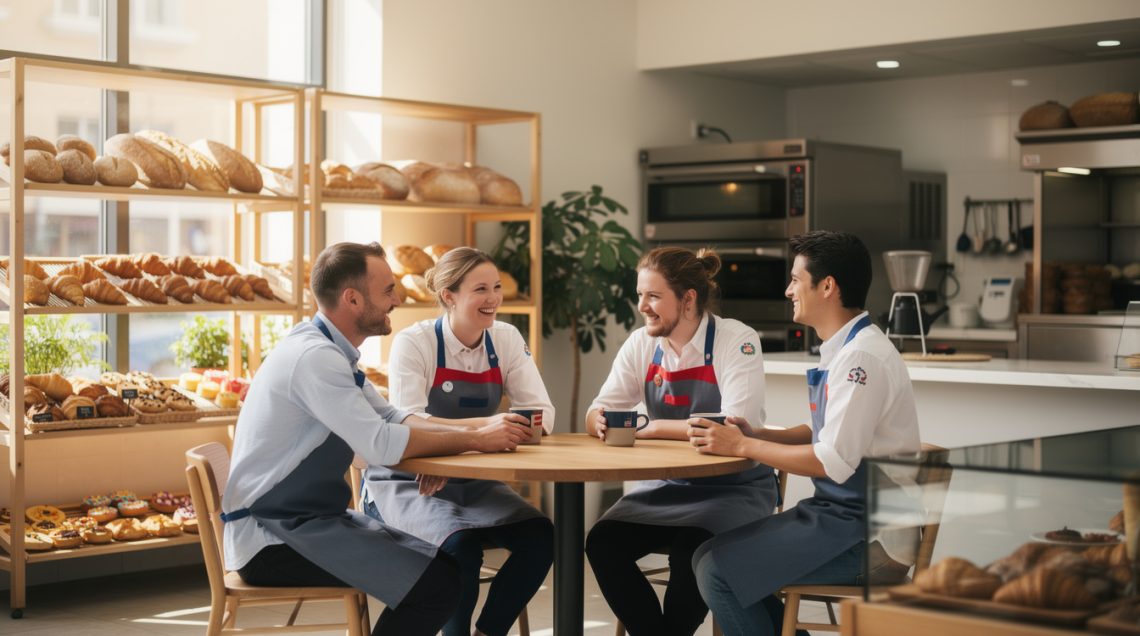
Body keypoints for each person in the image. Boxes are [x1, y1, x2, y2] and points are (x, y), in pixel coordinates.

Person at [222, 242, 531, 636]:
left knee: (447, 572)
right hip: (271, 539)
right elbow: (380, 445)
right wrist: (478, 439)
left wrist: (478, 430)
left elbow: (392, 416)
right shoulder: (316, 358)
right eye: (387, 291)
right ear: (352, 299)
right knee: (437, 586)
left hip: (303, 520)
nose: (397, 300)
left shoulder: (328, 350)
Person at [689, 231, 921, 636]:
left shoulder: (861, 358)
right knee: (706, 556)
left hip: (873, 542)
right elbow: (824, 433)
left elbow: (831, 461)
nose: (787, 290)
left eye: (796, 280)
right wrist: (758, 434)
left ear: (827, 286)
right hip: (842, 519)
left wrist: (744, 444)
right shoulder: (844, 348)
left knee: (717, 572)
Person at [583, 246, 777, 636]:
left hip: (734, 489)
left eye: (654, 296)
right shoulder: (641, 344)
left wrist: (654, 427)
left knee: (693, 551)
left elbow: (733, 427)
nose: (642, 306)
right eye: (640, 295)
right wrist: (599, 420)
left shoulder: (736, 340)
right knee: (602, 542)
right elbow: (598, 409)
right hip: (668, 488)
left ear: (688, 300)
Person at [362, 246, 554, 636]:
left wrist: (463, 446)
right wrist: (484, 430)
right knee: (460, 549)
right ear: (449, 296)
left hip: (473, 480)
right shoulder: (414, 342)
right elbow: (408, 422)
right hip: (406, 480)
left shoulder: (506, 338)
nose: (494, 298)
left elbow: (541, 415)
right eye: (480, 289)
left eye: (496, 287)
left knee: (541, 537)